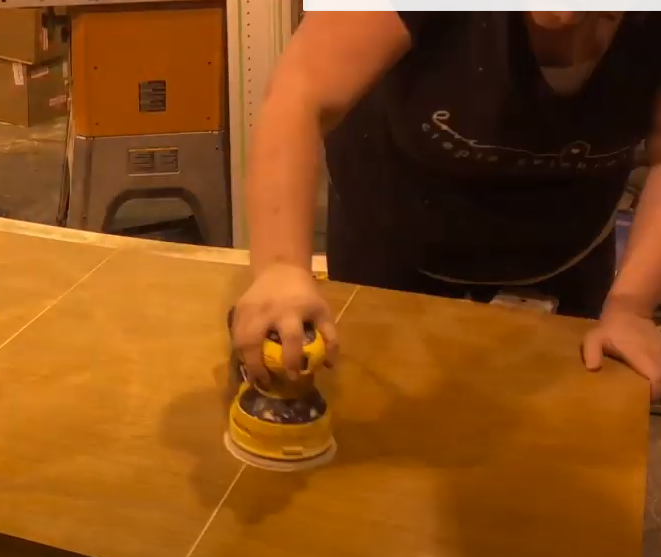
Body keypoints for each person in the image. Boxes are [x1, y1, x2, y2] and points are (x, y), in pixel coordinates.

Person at [230, 11, 661, 399]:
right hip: (392, 246)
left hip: (567, 257)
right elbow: (299, 93)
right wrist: (280, 269)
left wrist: (631, 308)